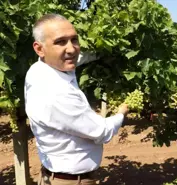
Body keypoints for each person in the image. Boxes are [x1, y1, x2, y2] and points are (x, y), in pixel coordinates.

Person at [24, 13, 128, 185]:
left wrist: (104, 52)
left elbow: (77, 58)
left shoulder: (41, 68)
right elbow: (101, 132)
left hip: (56, 176)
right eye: (60, 42)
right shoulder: (55, 92)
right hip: (70, 182)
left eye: (74, 40)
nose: (71, 49)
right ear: (39, 49)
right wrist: (121, 113)